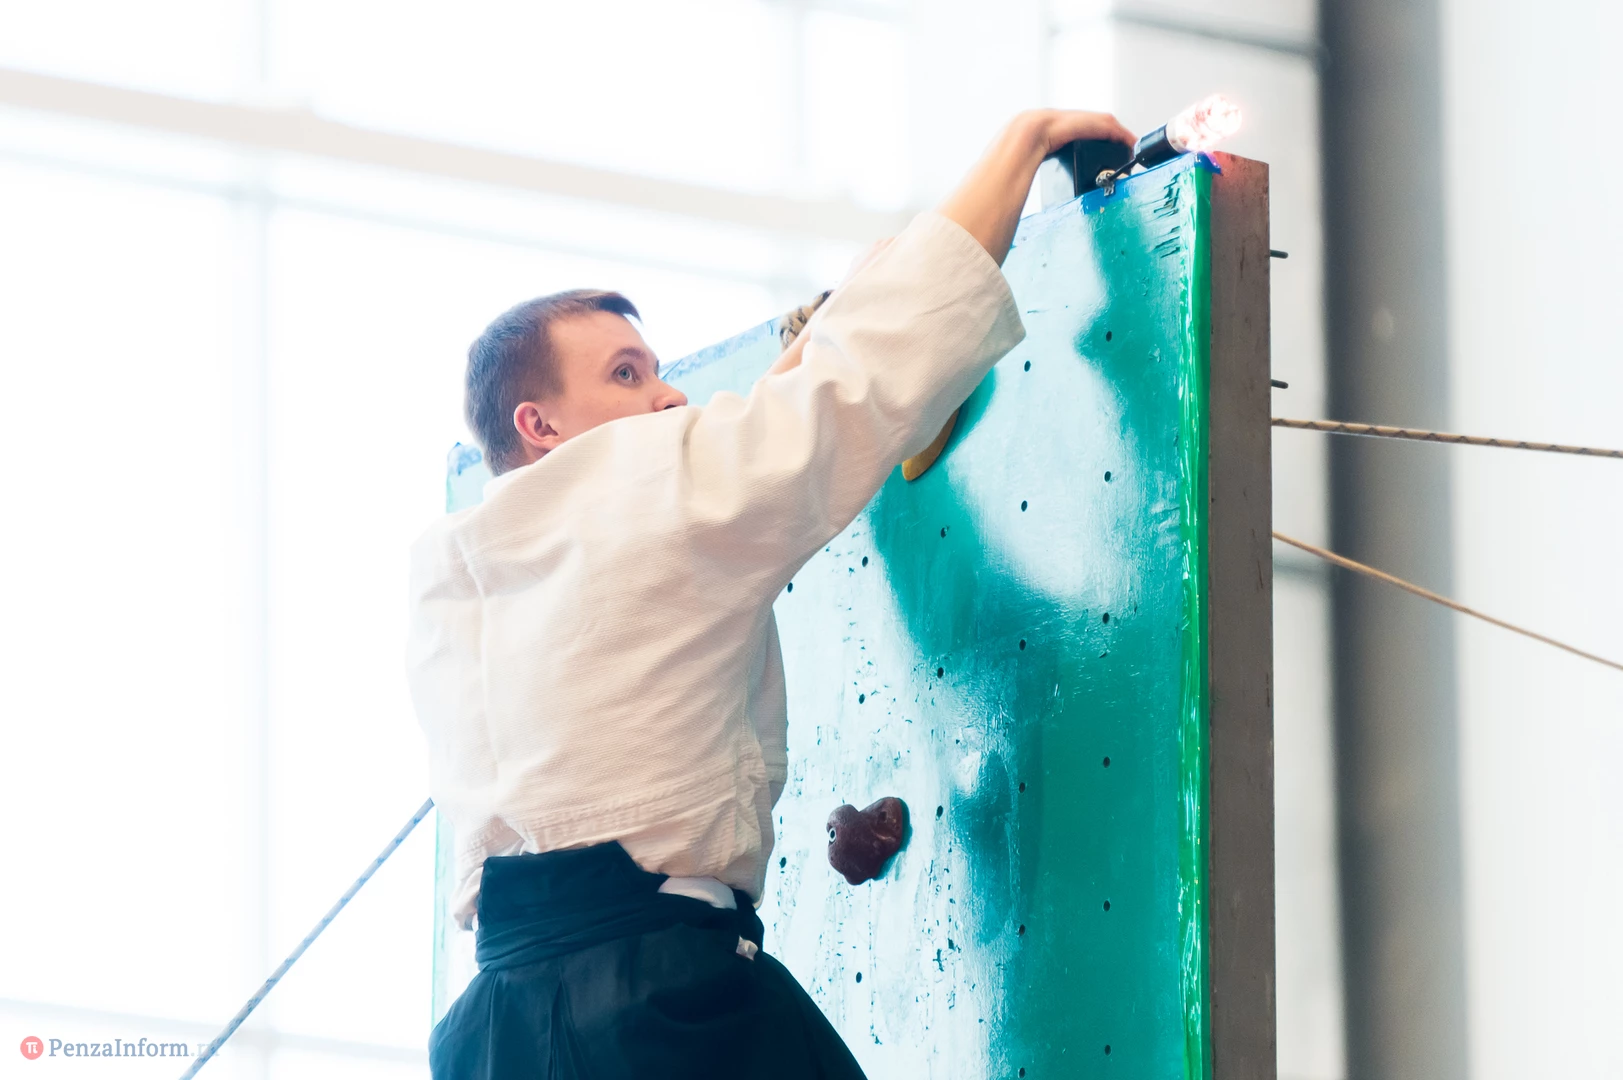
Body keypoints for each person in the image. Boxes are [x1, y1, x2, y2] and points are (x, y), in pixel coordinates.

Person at [407, 108, 1135, 1080]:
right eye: (625, 374)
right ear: (539, 425)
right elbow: (836, 401)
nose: (667, 396)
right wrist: (1025, 142)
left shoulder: (456, 568)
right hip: (655, 1003)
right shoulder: (639, 495)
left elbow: (725, 475)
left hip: (491, 1035)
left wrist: (818, 342)